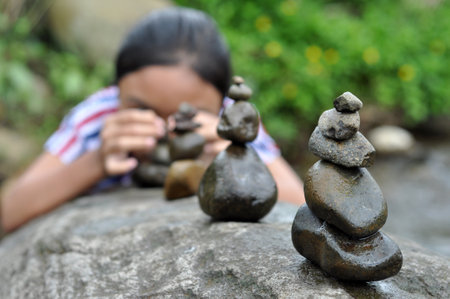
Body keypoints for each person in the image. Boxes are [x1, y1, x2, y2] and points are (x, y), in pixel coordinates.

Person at [0, 7, 305, 233]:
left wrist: (236, 152)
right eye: (142, 111)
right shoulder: (99, 116)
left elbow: (299, 204)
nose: (165, 128)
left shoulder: (232, 120)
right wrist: (97, 161)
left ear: (220, 103)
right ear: (117, 91)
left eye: (186, 114)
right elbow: (8, 212)